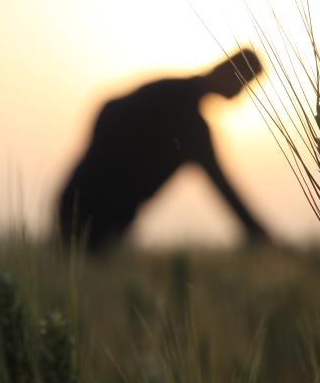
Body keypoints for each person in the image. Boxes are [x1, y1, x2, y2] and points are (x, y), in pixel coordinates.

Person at [58, 48, 270, 251]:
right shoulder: (192, 127)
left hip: (82, 202)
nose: (241, 92)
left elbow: (108, 108)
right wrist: (261, 236)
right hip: (97, 212)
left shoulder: (169, 92)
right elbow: (225, 189)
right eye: (244, 82)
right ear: (227, 72)